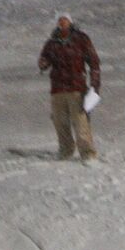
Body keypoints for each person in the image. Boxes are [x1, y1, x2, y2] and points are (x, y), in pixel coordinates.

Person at [38, 12, 100, 161]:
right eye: (60, 21)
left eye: (64, 20)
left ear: (70, 22)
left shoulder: (81, 39)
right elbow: (44, 60)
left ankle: (87, 153)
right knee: (60, 121)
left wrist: (95, 84)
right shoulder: (52, 42)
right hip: (58, 88)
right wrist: (43, 63)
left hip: (76, 87)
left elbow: (93, 61)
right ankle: (66, 149)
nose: (62, 23)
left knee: (80, 122)